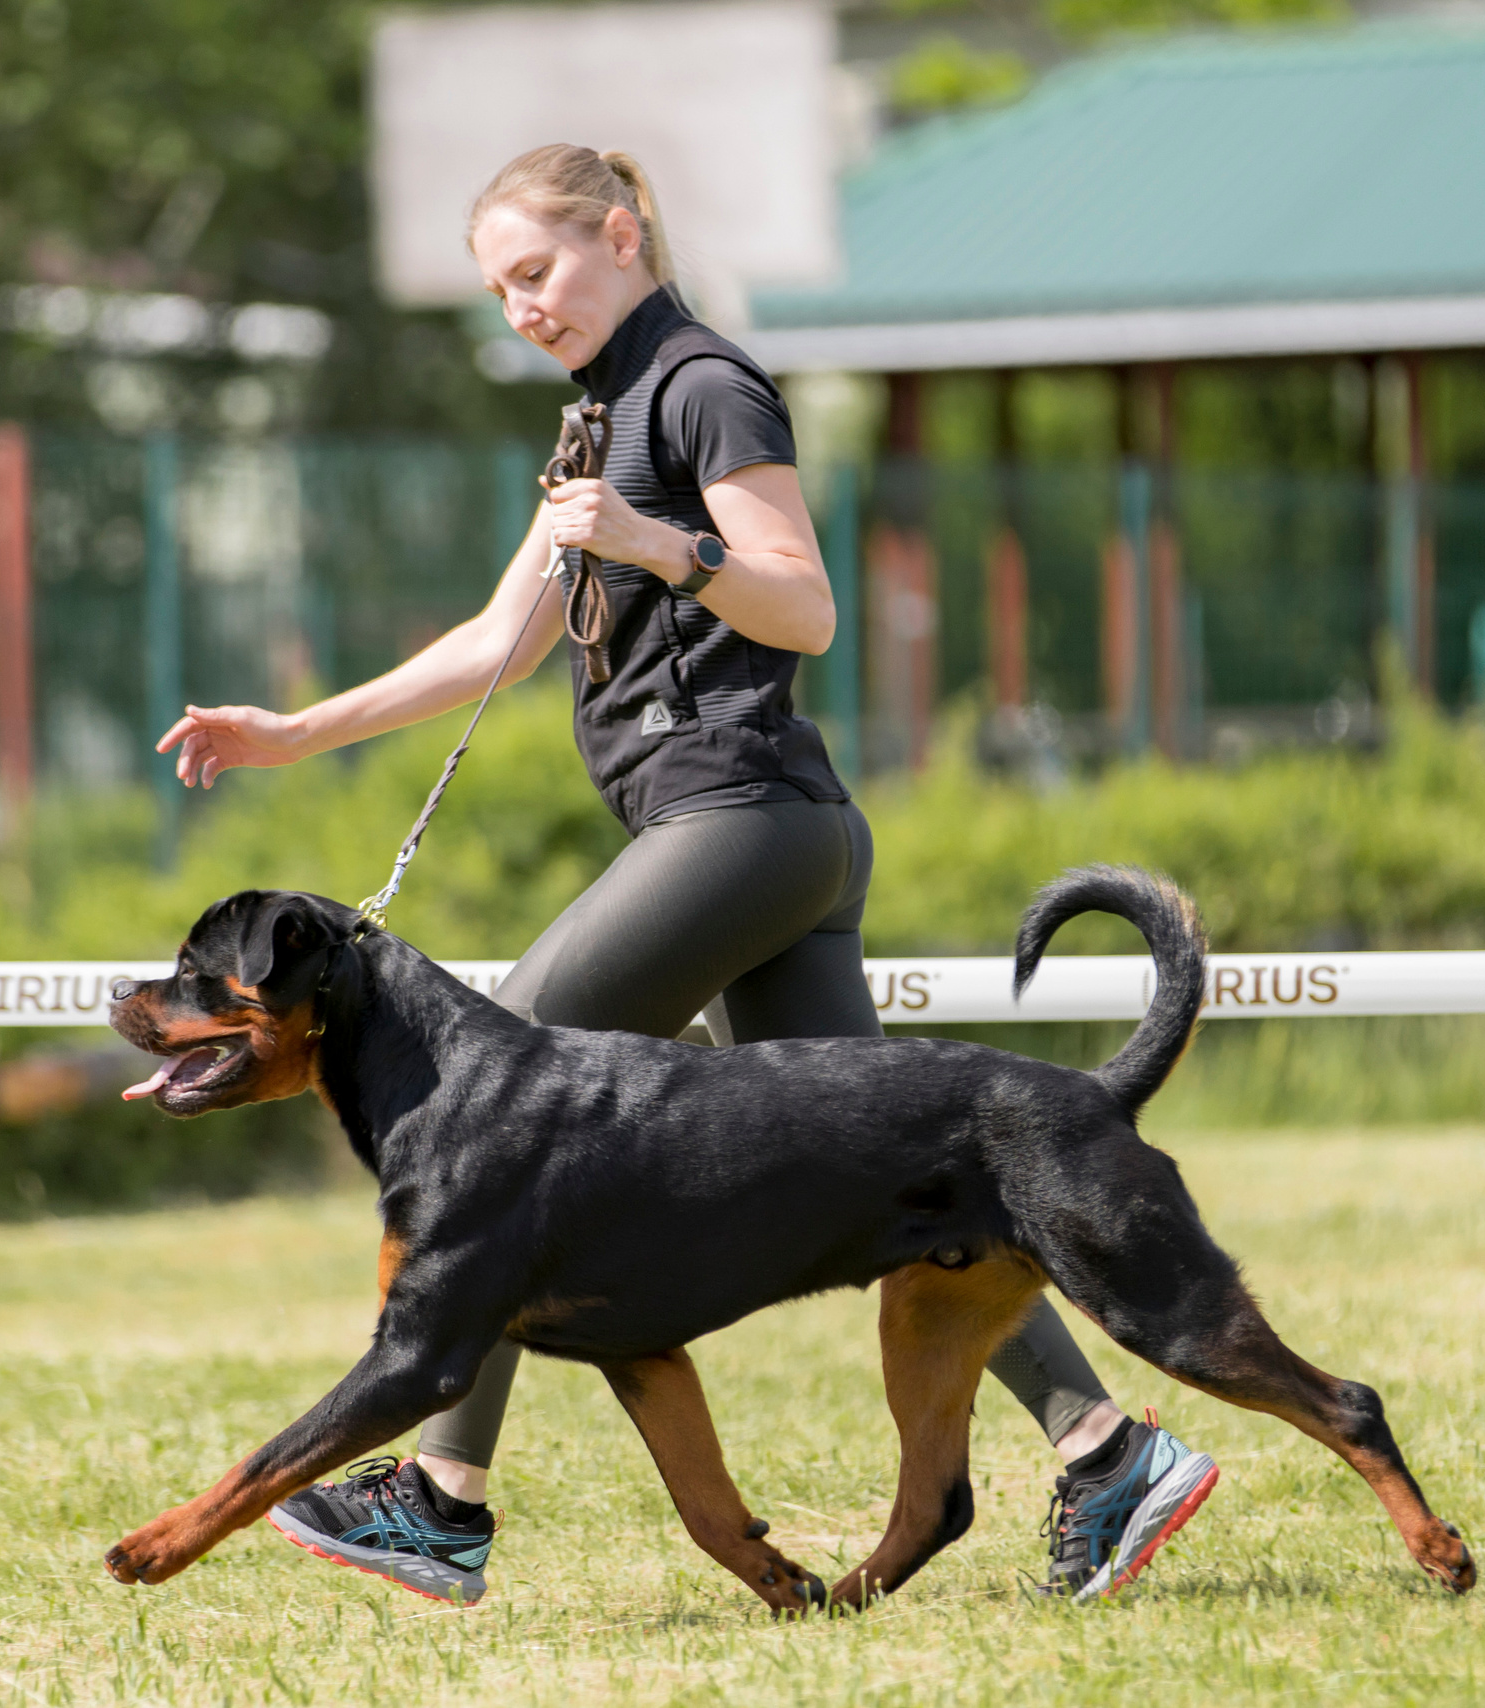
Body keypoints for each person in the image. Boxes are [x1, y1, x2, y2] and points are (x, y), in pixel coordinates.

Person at [153, 144, 1216, 1607]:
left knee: (485, 1111)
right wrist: (294, 735)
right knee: (923, 1177)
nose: (520, 308)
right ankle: (1108, 1454)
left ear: (620, 234)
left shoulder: (704, 387)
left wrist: (659, 544)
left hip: (741, 824)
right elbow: (494, 644)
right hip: (765, 835)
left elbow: (808, 607)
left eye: (536, 272)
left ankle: (443, 1500)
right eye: (498, 292)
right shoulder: (600, 418)